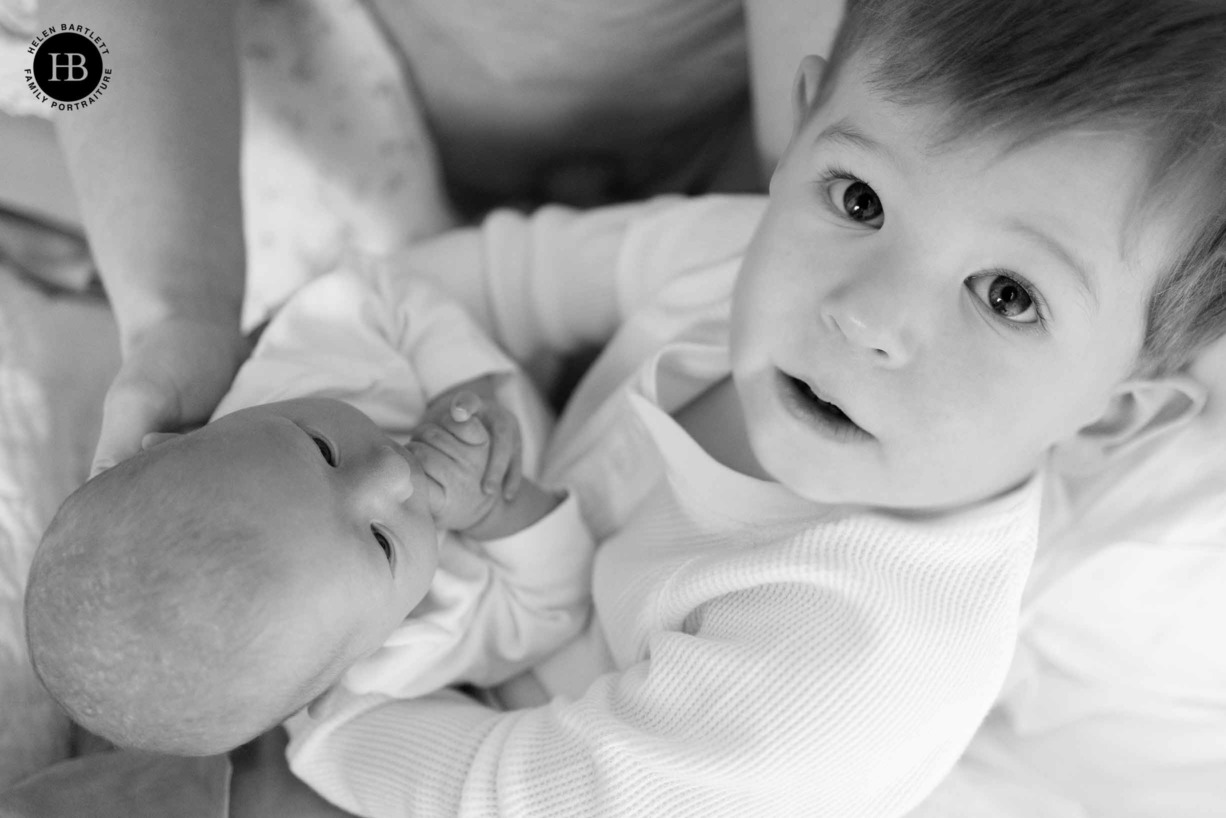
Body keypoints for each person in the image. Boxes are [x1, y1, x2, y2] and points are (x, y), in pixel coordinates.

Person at [225, 1, 1224, 815]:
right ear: (795, 146)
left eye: (1007, 295)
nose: (864, 313)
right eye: (860, 200)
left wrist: (321, 713)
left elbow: (517, 789)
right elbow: (514, 272)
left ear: (1110, 414)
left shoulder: (851, 656)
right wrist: (333, 335)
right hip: (474, 600)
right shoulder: (729, 252)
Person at [37, 0, 843, 480]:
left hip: (718, 176)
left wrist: (748, 277)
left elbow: (825, 154)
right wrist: (178, 308)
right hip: (349, 113)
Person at [23, 271, 594, 757]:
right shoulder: (409, 649)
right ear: (336, 686)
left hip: (488, 309)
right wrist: (495, 509)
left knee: (564, 265)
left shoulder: (282, 382)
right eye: (381, 543)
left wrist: (462, 390)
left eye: (322, 450)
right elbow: (554, 605)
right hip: (579, 458)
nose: (393, 474)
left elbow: (377, 291)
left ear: (178, 436)